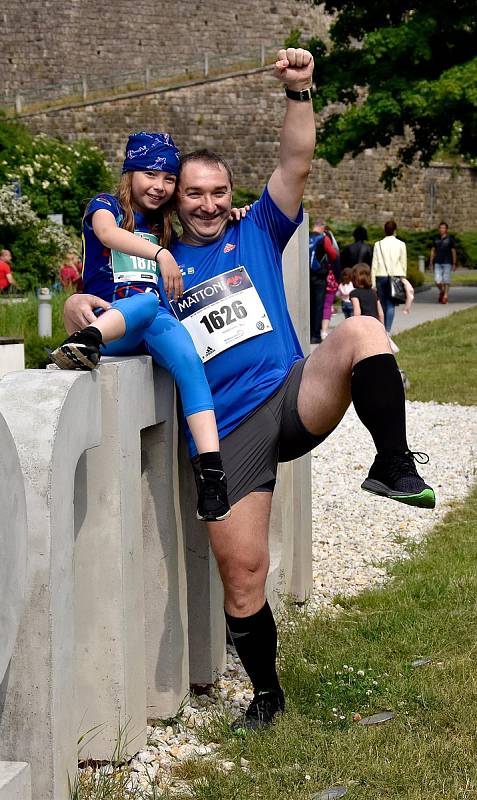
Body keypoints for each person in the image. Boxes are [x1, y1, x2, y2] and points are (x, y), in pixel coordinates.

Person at [64, 47, 435, 734]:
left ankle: (391, 465)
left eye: (217, 192)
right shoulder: (151, 257)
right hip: (226, 431)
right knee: (243, 576)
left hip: (290, 393)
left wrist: (299, 93)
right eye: (192, 193)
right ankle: (266, 696)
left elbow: (295, 162)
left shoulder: (258, 226)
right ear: (173, 198)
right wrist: (75, 310)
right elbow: (91, 293)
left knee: (361, 335)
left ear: (232, 196)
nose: (208, 204)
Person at [50, 131, 231, 524]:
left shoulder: (163, 220)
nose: (160, 186)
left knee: (189, 362)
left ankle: (213, 476)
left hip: (153, 321)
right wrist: (160, 252)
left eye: (169, 179)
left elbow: (207, 219)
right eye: (150, 174)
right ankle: (86, 341)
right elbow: (106, 234)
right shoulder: (106, 206)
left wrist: (237, 212)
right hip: (112, 319)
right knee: (146, 301)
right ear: (129, 172)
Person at [371, 219, 407, 333]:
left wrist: (372, 283)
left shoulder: (378, 244)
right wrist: (403, 279)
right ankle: (387, 330)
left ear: (384, 230)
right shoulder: (401, 244)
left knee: (381, 304)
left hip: (381, 275)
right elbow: (403, 263)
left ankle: (381, 328)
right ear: (395, 230)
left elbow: (374, 264)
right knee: (391, 304)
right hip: (395, 276)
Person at [308, 219, 338, 343]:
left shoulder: (306, 236)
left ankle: (306, 333)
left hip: (306, 274)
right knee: (318, 304)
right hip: (319, 275)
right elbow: (333, 255)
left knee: (308, 304)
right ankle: (315, 335)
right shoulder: (323, 238)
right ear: (322, 227)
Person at [429, 222, 457, 304]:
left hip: (447, 262)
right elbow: (433, 250)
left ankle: (445, 296)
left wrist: (454, 263)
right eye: (440, 228)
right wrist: (431, 262)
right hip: (437, 262)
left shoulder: (450, 239)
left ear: (446, 230)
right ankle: (442, 290)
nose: (442, 229)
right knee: (437, 281)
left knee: (446, 280)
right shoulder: (436, 239)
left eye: (443, 228)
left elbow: (453, 251)